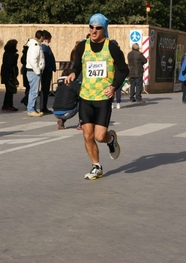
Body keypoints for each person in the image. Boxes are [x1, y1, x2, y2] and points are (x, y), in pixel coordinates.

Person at [64, 13, 129, 180]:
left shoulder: (112, 48)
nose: (93, 31)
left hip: (103, 97)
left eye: (97, 28)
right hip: (85, 96)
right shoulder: (82, 46)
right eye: (91, 27)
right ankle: (96, 166)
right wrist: (72, 74)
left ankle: (111, 138)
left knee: (100, 136)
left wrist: (114, 87)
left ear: (104, 29)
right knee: (87, 135)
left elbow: (123, 70)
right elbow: (77, 66)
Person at [25, 30, 45, 117]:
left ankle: (33, 109)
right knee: (34, 92)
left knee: (34, 91)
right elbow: (33, 60)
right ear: (41, 37)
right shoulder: (35, 46)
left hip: (33, 71)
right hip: (33, 71)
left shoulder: (35, 45)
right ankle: (30, 110)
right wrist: (37, 71)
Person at [0, 39, 19, 112]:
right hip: (9, 75)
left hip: (6, 73)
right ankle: (8, 105)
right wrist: (13, 73)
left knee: (9, 91)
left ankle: (7, 105)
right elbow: (10, 64)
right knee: (10, 90)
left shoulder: (7, 52)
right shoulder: (10, 54)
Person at [40, 30, 56, 114]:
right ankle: (43, 107)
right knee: (45, 89)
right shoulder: (44, 47)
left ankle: (43, 106)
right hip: (46, 71)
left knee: (45, 89)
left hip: (47, 70)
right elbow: (46, 59)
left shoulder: (45, 47)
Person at [110, 39, 124, 109]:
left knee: (111, 87)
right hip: (118, 71)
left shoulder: (109, 52)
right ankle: (118, 102)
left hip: (111, 72)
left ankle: (111, 103)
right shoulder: (120, 52)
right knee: (118, 88)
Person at [20, 40, 31, 107]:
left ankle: (26, 99)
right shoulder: (28, 52)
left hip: (25, 70)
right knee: (30, 87)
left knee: (28, 87)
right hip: (28, 70)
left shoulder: (25, 51)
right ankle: (26, 99)